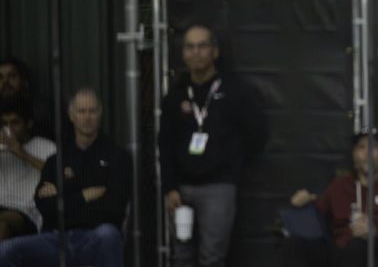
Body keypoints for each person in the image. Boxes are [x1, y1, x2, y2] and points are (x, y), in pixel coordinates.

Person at [159, 24, 268, 267]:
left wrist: (231, 163)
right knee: (181, 257)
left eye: (202, 46)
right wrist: (169, 187)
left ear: (215, 52)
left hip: (219, 187)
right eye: (190, 47)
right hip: (181, 190)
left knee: (213, 258)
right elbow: (164, 144)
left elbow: (257, 135)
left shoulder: (236, 91)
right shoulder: (175, 96)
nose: (196, 52)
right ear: (183, 53)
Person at [0, 88, 131, 267]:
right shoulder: (57, 159)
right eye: (81, 111)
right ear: (71, 115)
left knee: (108, 234)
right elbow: (44, 205)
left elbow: (113, 209)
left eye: (92, 111)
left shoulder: (117, 156)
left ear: (100, 115)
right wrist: (84, 195)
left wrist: (62, 195)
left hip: (93, 237)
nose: (87, 117)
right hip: (55, 238)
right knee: (5, 251)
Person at [289, 129, 378, 266]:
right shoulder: (340, 185)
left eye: (374, 147)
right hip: (338, 250)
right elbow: (320, 211)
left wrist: (376, 231)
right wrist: (305, 202)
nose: (366, 153)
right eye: (361, 147)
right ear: (353, 154)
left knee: (357, 245)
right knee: (295, 243)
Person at [0, 100, 56, 240]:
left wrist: (23, 154)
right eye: (5, 124)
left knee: (2, 224)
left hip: (25, 212)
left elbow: (58, 174)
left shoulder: (46, 146)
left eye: (15, 123)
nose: (9, 129)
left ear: (28, 123)